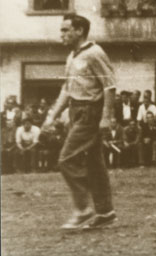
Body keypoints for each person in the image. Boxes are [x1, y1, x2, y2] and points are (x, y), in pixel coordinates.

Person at [40, 14, 117, 230]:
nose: (62, 34)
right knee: (94, 162)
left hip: (90, 112)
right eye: (62, 30)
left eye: (66, 30)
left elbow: (109, 86)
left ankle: (83, 208)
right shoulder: (72, 56)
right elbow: (67, 89)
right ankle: (106, 212)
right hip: (76, 111)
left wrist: (106, 118)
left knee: (66, 159)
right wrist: (52, 116)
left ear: (80, 31)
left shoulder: (95, 53)